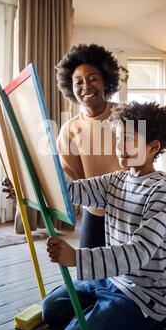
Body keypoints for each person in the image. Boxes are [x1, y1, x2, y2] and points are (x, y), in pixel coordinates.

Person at [42, 101, 166, 330]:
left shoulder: (163, 190)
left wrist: (77, 258)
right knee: (51, 310)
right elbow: (73, 191)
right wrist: (34, 178)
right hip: (113, 279)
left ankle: (160, 323)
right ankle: (105, 312)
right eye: (118, 139)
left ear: (153, 147)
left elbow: (139, 253)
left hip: (146, 294)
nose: (119, 147)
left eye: (129, 139)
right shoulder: (116, 179)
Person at [56, 43, 122, 248]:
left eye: (93, 78)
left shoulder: (130, 116)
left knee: (130, 276)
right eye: (79, 82)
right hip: (94, 212)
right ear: (71, 88)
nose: (86, 86)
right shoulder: (69, 129)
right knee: (90, 274)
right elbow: (69, 179)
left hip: (130, 211)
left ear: (105, 82)